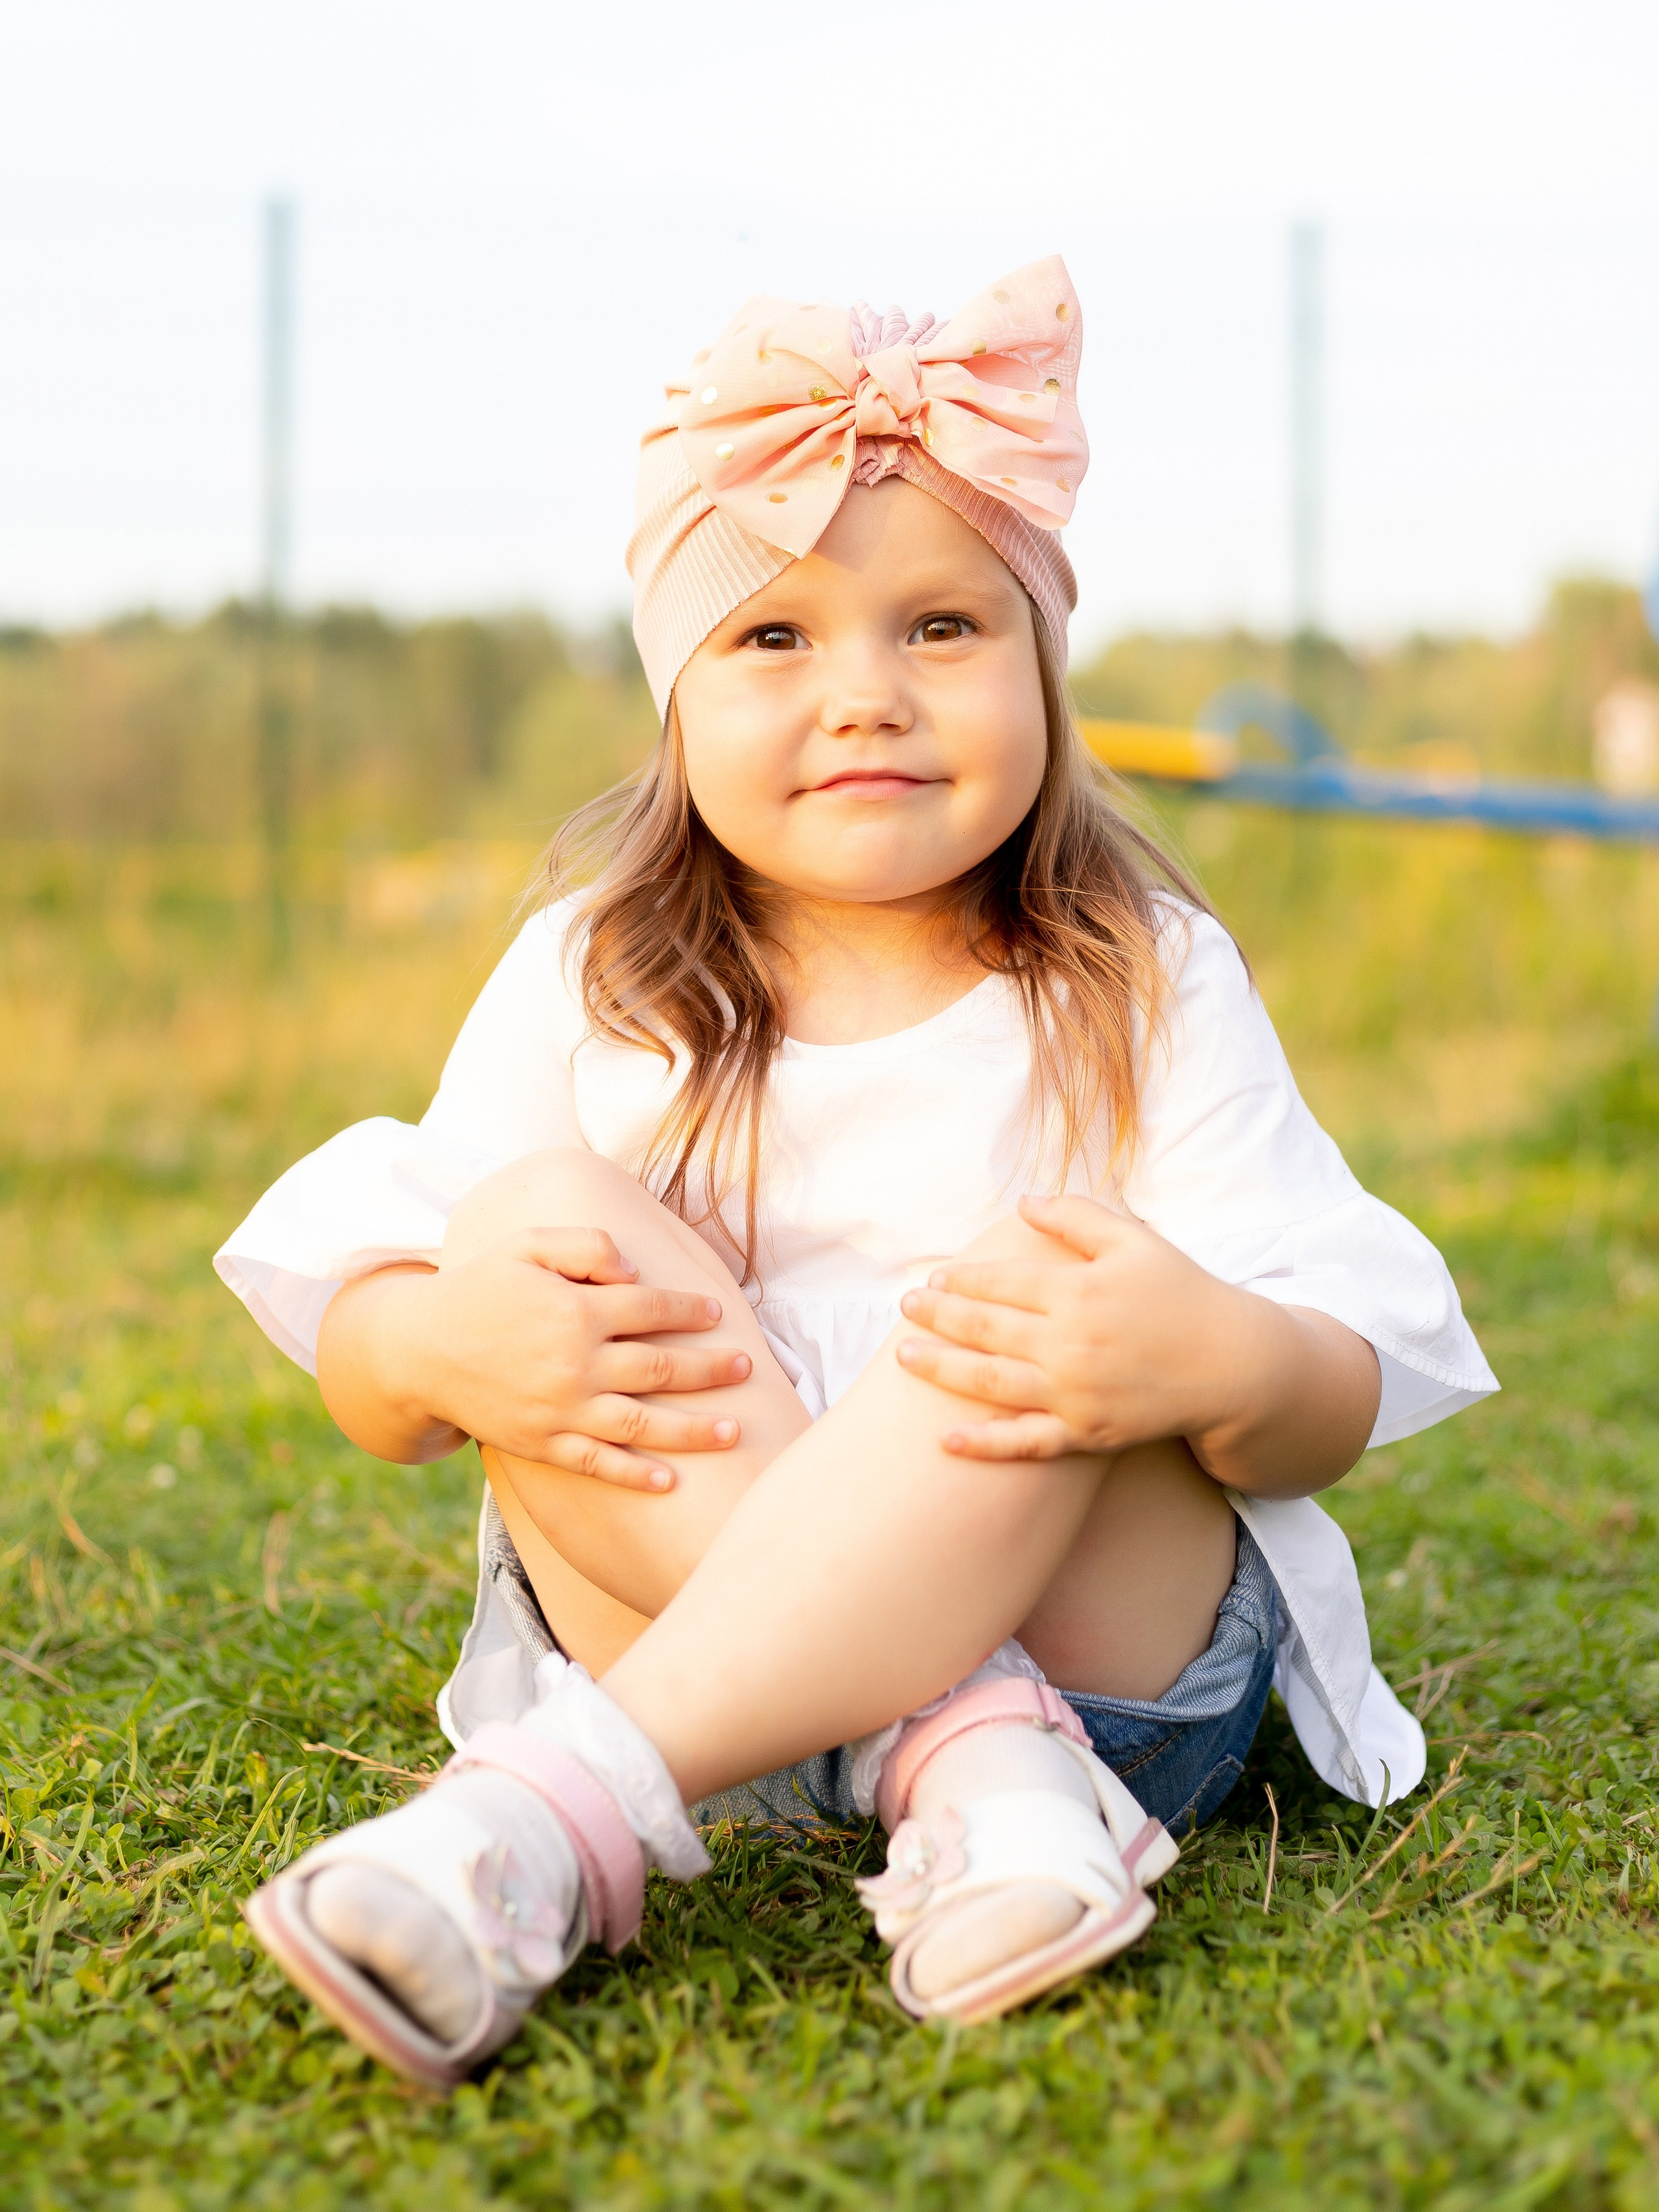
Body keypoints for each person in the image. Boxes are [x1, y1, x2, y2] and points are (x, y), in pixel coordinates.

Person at [216, 258, 1497, 2089]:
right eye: (773, 638)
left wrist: (1213, 1355)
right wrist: (437, 1355)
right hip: (722, 1663)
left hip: (1104, 1677)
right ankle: (969, 1757)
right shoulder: (597, 975)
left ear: (1044, 664)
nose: (866, 697)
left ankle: (551, 1821)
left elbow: (1330, 1392)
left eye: (944, 629)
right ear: (675, 699)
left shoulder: (1137, 974)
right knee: (523, 1230)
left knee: (1059, 1286)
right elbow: (375, 1354)